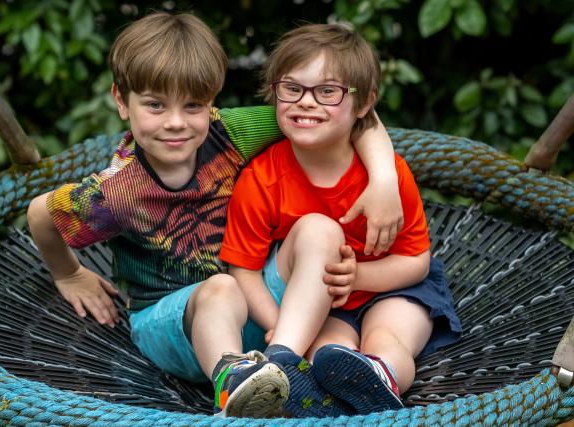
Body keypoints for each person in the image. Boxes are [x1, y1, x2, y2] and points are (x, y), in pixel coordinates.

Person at [27, 12, 404, 419]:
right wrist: (69, 274)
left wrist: (384, 180)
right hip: (174, 326)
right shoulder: (116, 193)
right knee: (220, 288)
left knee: (318, 230)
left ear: (211, 103)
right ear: (122, 100)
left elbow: (353, 116)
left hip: (256, 301)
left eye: (193, 106)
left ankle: (285, 360)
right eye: (155, 105)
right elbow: (40, 214)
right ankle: (234, 387)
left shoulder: (230, 133)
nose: (175, 123)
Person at [219, 23, 462, 418]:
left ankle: (382, 378)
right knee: (325, 353)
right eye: (292, 88)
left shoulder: (389, 176)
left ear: (364, 103)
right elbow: (242, 269)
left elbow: (416, 261)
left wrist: (359, 279)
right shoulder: (262, 178)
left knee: (385, 336)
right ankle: (333, 397)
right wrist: (280, 323)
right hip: (326, 304)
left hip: (398, 289)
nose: (306, 102)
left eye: (327, 91)